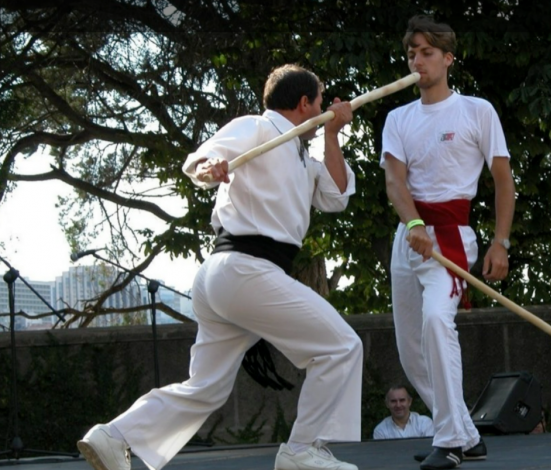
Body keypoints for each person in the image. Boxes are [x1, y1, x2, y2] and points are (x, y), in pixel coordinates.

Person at [76, 64, 363, 470]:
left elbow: (336, 197)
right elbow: (202, 161)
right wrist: (210, 168)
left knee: (206, 389)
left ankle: (114, 435)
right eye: (320, 102)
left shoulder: (304, 157)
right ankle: (302, 449)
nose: (322, 109)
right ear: (305, 104)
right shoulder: (259, 128)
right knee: (342, 346)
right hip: (245, 270)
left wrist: (332, 133)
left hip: (231, 278)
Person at [380, 15, 516, 470]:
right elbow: (395, 184)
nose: (417, 60)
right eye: (411, 54)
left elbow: (503, 181)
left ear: (448, 58)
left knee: (438, 322)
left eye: (426, 52)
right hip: (409, 238)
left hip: (452, 239)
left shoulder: (477, 111)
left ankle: (452, 440)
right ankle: (464, 432)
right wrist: (413, 224)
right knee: (410, 349)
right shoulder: (398, 118)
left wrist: (500, 243)